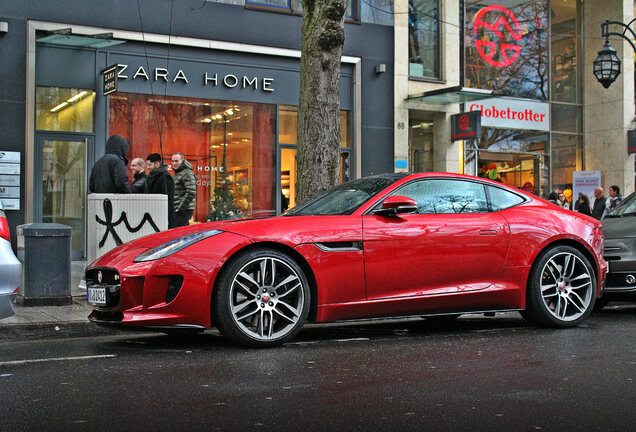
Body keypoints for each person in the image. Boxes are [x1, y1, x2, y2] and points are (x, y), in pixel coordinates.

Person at [146, 153, 177, 229]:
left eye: (150, 165)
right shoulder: (152, 176)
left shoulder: (165, 177)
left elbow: (168, 199)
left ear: (157, 164)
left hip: (163, 216)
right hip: (154, 213)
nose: (148, 167)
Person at [171, 152, 196, 227]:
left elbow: (191, 192)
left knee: (179, 232)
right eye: (173, 161)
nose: (174, 163)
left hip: (183, 210)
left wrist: (180, 208)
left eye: (176, 161)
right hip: (180, 209)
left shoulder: (187, 173)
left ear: (182, 161)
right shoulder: (178, 172)